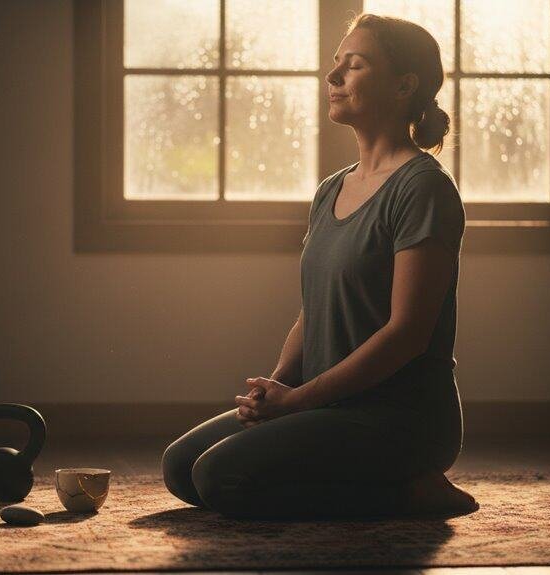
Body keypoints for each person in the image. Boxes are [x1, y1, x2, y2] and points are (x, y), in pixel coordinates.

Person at [162, 12, 479, 520]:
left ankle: (411, 490)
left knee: (218, 477)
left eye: (354, 66)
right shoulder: (331, 189)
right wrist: (277, 388)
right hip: (326, 405)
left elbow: (407, 334)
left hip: (399, 419)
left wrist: (299, 402)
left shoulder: (424, 189)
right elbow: (316, 309)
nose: (332, 78)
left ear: (403, 85)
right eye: (336, 64)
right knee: (179, 467)